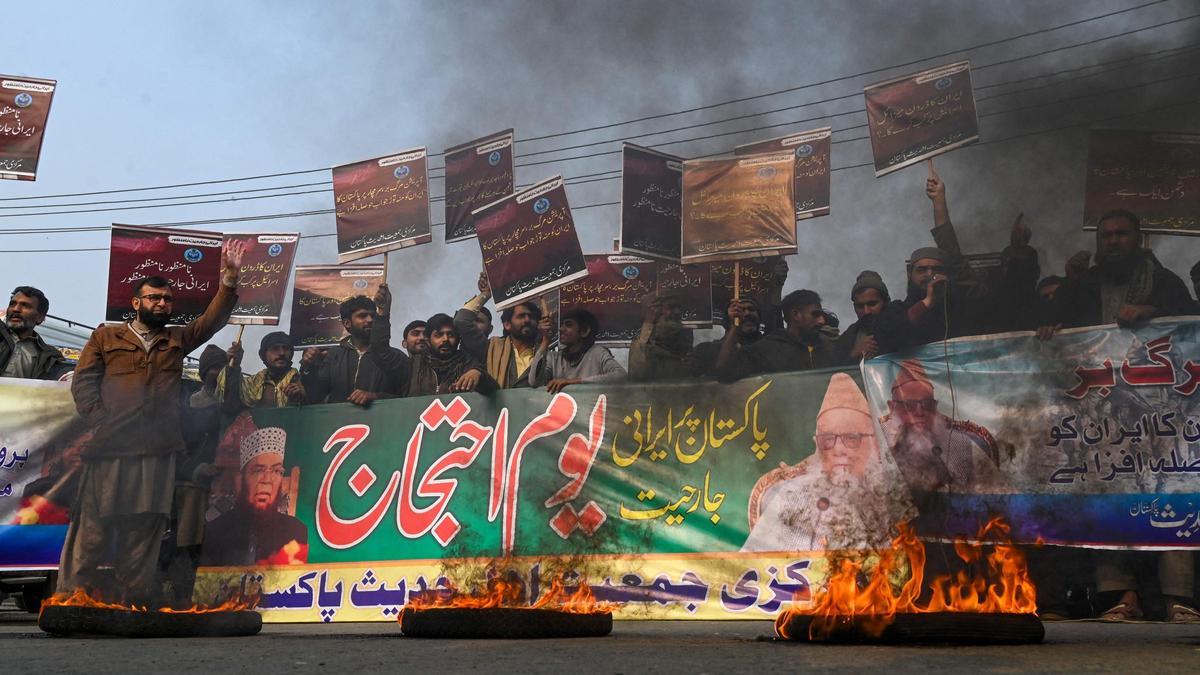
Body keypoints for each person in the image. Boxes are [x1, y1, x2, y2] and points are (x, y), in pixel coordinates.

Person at [60, 239, 244, 605]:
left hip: (158, 448)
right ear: (136, 303)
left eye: (167, 299)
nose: (162, 304)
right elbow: (83, 383)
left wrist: (229, 282)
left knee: (144, 526)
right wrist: (100, 422)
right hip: (111, 446)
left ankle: (134, 599)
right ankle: (73, 598)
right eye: (154, 298)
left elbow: (211, 321)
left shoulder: (177, 338)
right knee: (94, 525)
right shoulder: (105, 335)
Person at [742, 373, 913, 551]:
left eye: (851, 437)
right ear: (817, 444)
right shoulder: (791, 498)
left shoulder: (889, 497)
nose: (838, 449)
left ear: (873, 444)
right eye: (828, 439)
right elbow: (756, 565)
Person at [903, 168, 1039, 341]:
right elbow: (894, 331)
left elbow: (952, 252)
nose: (930, 275)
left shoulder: (965, 305)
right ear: (909, 273)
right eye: (922, 270)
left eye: (936, 269)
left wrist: (939, 202)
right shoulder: (897, 313)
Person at [1039, 211, 1198, 339]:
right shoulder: (1085, 282)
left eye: (1121, 234)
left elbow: (1191, 328)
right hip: (1094, 374)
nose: (1113, 241)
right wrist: (1071, 281)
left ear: (1139, 240)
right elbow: (1052, 320)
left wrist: (1152, 312)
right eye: (1106, 236)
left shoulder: (1164, 281)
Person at [161, 344, 226, 606]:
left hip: (226, 488)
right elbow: (178, 451)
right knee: (187, 543)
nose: (218, 373)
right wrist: (199, 470)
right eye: (213, 368)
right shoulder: (190, 407)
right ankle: (183, 595)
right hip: (193, 488)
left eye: (222, 368)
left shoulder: (235, 403)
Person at [880, 359, 1002, 495]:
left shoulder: (960, 445)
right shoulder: (879, 451)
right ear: (892, 407)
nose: (920, 412)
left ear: (935, 406)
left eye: (927, 404)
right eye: (909, 405)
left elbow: (987, 494)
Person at [199, 426, 308, 567]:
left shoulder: (296, 531)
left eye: (276, 471)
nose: (267, 479)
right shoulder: (217, 530)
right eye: (258, 470)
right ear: (242, 478)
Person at [301, 291, 409, 405]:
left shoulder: (395, 357)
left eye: (373, 316)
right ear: (347, 323)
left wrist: (375, 397)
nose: (370, 320)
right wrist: (308, 368)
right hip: (339, 422)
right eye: (362, 316)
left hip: (380, 421)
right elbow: (315, 396)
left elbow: (405, 397)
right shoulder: (333, 356)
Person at [454, 271, 551, 389]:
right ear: (507, 325)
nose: (527, 320)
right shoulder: (491, 348)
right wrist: (486, 294)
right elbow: (461, 321)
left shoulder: (548, 354)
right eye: (521, 316)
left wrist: (546, 340)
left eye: (531, 317)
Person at [715, 289, 833, 381]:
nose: (821, 321)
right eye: (815, 315)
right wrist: (735, 326)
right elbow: (726, 372)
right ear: (796, 315)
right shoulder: (769, 348)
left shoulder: (825, 347)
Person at [530, 307, 625, 393]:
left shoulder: (597, 353)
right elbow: (534, 382)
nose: (561, 329)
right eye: (561, 325)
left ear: (584, 331)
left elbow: (621, 376)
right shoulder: (554, 358)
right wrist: (545, 340)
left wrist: (572, 382)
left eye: (568, 325)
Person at [833, 271, 913, 365]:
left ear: (886, 301)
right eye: (860, 306)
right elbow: (833, 373)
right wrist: (855, 354)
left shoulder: (905, 324)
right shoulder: (847, 338)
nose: (866, 311)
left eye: (872, 304)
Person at [406, 313, 495, 397]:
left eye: (451, 335)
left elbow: (494, 390)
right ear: (428, 339)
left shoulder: (469, 363)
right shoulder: (413, 364)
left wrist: (480, 374)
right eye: (439, 335)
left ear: (458, 338)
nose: (445, 339)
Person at [218, 331, 304, 413]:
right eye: (275, 348)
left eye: (285, 348)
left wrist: (300, 397)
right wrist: (234, 367)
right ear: (263, 354)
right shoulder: (252, 384)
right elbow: (231, 406)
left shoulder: (302, 380)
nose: (281, 353)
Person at [1, 285, 72, 380]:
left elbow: (60, 372)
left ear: (40, 318)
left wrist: (70, 375)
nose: (16, 309)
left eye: (25, 306)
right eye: (12, 304)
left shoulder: (48, 356)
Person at [628, 289, 694, 381]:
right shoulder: (643, 341)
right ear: (654, 312)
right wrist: (649, 323)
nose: (677, 312)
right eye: (671, 307)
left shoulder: (684, 335)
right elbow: (637, 374)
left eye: (679, 307)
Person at [691, 298, 763, 378]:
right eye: (740, 311)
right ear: (727, 321)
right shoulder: (707, 351)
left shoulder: (769, 347)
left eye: (751, 309)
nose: (747, 313)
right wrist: (735, 328)